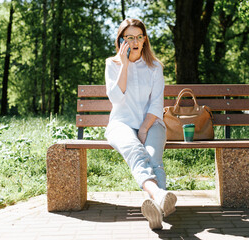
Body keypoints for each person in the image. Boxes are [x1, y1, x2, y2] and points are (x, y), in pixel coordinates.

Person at [104, 18, 177, 230]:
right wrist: (124, 65)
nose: (135, 42)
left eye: (139, 37)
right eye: (129, 37)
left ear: (144, 40)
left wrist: (144, 128)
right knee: (137, 152)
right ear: (121, 40)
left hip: (152, 123)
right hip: (121, 124)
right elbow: (116, 99)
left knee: (153, 158)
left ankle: (157, 211)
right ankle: (159, 196)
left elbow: (156, 104)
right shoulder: (112, 64)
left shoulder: (155, 67)